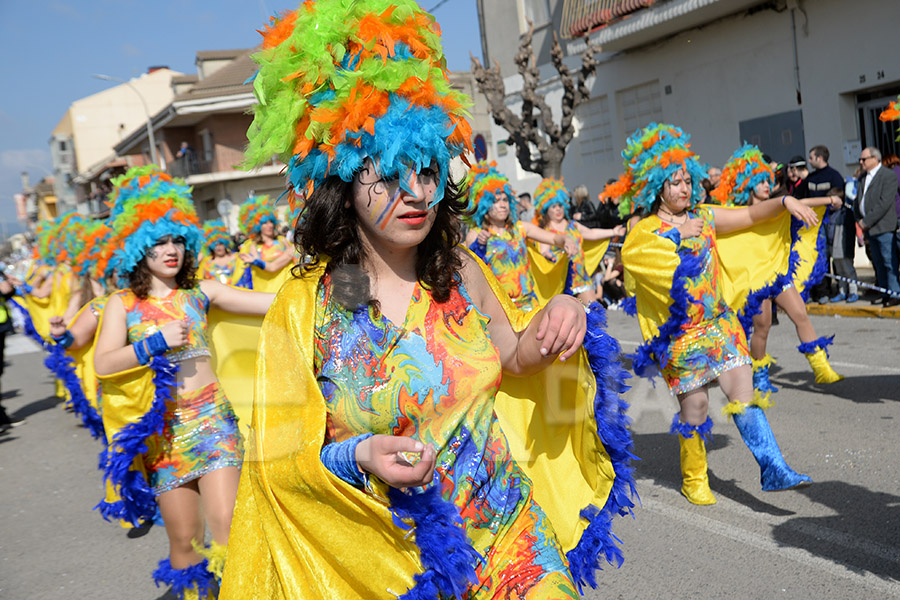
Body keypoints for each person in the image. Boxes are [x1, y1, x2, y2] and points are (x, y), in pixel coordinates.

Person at [221, 2, 636, 597]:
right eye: (387, 174)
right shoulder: (308, 305)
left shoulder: (459, 271)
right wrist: (358, 454)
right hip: (393, 562)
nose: (414, 193)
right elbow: (281, 460)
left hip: (510, 533)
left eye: (427, 170)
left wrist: (559, 313)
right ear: (342, 179)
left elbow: (516, 358)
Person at [92, 166, 274, 599]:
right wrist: (152, 343)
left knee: (229, 527)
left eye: (176, 239)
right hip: (164, 435)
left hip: (214, 423)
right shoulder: (122, 304)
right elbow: (102, 363)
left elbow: (273, 303)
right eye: (158, 242)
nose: (170, 250)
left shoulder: (201, 293)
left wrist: (326, 279)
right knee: (185, 541)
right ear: (138, 249)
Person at [615, 124, 815, 506]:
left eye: (687, 181)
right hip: (681, 337)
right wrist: (677, 235)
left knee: (743, 392)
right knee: (698, 408)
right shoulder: (645, 231)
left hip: (720, 325)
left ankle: (773, 467)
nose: (683, 189)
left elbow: (751, 217)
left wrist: (785, 202)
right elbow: (636, 261)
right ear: (657, 187)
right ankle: (694, 478)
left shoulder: (705, 216)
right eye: (674, 183)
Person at [712, 144, 844, 390]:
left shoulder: (776, 206)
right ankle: (760, 377)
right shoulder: (738, 213)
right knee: (761, 329)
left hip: (779, 275)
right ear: (746, 185)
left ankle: (821, 369)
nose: (766, 185)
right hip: (756, 281)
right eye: (760, 182)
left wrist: (829, 199)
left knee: (800, 315)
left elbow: (799, 200)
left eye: (767, 181)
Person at [463, 161, 577, 311]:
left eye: (505, 199)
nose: (503, 205)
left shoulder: (521, 228)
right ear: (484, 205)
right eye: (496, 201)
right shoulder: (476, 234)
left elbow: (554, 238)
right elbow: (470, 274)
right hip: (499, 310)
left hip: (528, 305)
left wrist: (567, 240)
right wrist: (479, 246)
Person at [533, 178, 626, 305]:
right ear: (546, 210)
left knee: (593, 313)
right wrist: (551, 256)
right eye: (553, 206)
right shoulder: (546, 231)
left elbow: (591, 233)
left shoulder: (572, 225)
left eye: (560, 205)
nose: (558, 209)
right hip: (560, 282)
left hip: (581, 276)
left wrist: (613, 232)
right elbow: (544, 251)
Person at [854, 146, 900, 306]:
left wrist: (866, 222)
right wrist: (858, 217)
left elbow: (884, 203)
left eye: (864, 159)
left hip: (883, 226)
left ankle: (895, 292)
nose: (861, 162)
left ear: (875, 159)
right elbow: (858, 199)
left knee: (888, 261)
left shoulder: (887, 176)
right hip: (869, 228)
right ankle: (884, 291)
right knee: (878, 263)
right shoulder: (862, 177)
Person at [803, 145, 846, 303]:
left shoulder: (834, 176)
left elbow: (839, 201)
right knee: (813, 258)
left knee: (826, 257)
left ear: (819, 158)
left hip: (828, 224)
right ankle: (814, 290)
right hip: (811, 225)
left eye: (811, 157)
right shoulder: (810, 179)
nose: (809, 160)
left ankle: (825, 291)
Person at [236, 195, 294, 291]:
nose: (270, 225)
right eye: (265, 223)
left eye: (271, 221)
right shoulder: (252, 246)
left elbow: (276, 265)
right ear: (256, 226)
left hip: (285, 288)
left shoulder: (282, 241)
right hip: (265, 291)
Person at [198, 220, 243, 286]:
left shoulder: (236, 257)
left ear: (225, 243)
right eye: (215, 245)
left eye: (221, 244)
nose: (218, 247)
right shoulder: (206, 263)